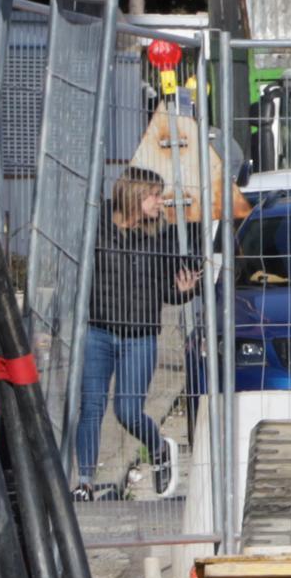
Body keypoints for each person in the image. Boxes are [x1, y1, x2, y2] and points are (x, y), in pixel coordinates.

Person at [73, 168, 200, 499]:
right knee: (91, 407)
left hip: (140, 336)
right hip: (98, 332)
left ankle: (158, 448)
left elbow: (169, 291)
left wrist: (185, 291)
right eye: (155, 195)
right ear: (134, 195)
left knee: (127, 411)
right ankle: (84, 482)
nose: (161, 201)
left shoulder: (161, 237)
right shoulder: (96, 226)